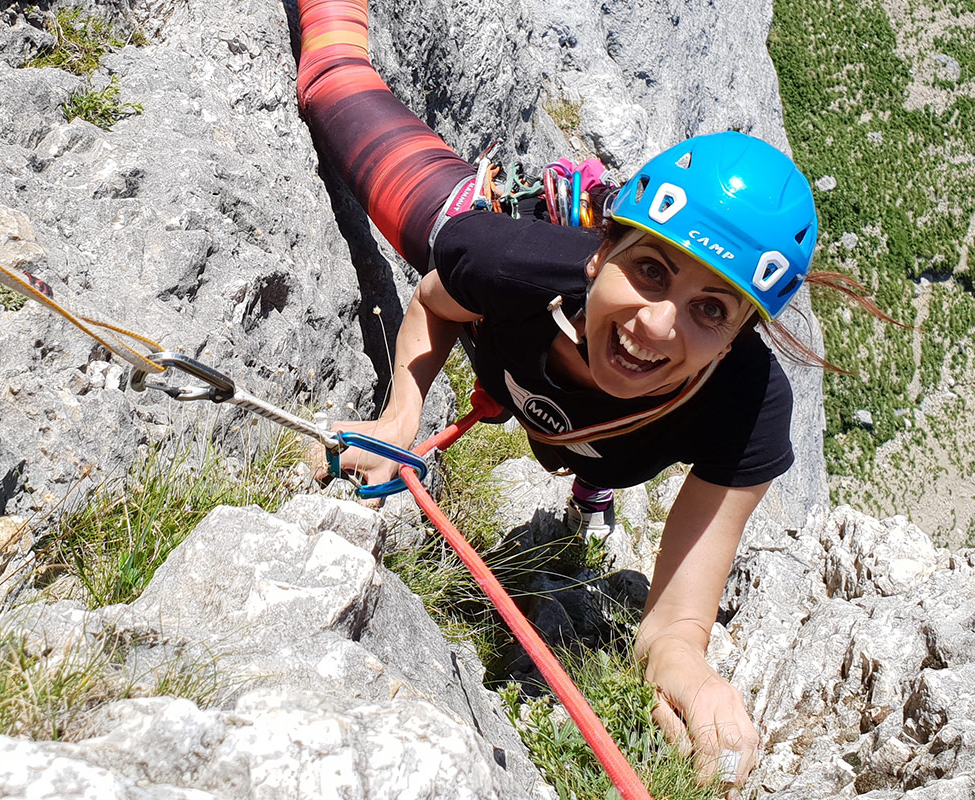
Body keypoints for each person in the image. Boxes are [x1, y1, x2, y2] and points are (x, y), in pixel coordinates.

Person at [292, 0, 891, 790]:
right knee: (331, 87)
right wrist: (404, 410)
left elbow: (678, 620)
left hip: (605, 433)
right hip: (505, 332)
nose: (658, 322)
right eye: (650, 269)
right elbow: (437, 302)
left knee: (605, 449)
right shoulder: (505, 259)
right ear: (599, 250)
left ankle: (592, 489)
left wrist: (687, 669)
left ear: (742, 327)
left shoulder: (747, 407)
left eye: (712, 309)